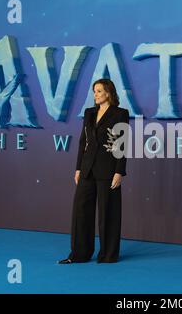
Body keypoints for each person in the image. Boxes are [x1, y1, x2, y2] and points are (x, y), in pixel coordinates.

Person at [58, 78, 129, 264]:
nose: (95, 95)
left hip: (109, 169)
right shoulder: (89, 113)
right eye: (94, 91)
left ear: (108, 93)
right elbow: (84, 142)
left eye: (98, 91)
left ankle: (108, 254)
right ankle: (79, 254)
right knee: (81, 211)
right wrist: (78, 167)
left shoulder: (120, 113)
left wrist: (119, 171)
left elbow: (122, 144)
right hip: (87, 169)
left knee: (108, 213)